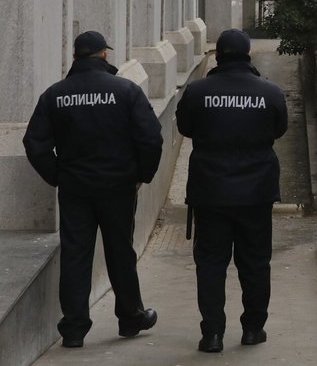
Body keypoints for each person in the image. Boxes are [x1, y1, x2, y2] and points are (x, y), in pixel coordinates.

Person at [22, 30, 162, 348]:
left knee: (75, 255)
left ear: (74, 57)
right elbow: (151, 137)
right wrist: (142, 174)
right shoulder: (126, 91)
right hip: (118, 187)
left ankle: (73, 328)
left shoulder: (55, 95)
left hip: (76, 190)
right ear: (104, 55)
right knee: (120, 254)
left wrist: (58, 175)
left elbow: (34, 143)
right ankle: (130, 317)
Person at [176, 29, 288, 353]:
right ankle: (253, 328)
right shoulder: (269, 92)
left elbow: (184, 128)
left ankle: (212, 334)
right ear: (248, 54)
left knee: (210, 263)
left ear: (218, 55)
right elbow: (278, 129)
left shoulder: (198, 92)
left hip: (210, 192)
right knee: (255, 263)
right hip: (256, 193)